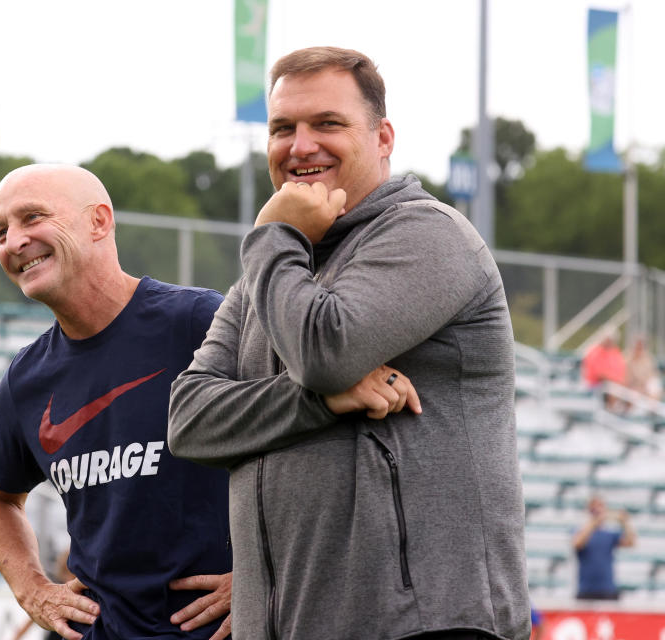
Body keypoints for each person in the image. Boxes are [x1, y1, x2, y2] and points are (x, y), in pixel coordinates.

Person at [168, 46, 530, 640]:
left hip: (425, 625)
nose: (300, 145)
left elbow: (325, 353)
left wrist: (274, 236)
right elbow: (189, 420)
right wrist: (318, 403)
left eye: (327, 124)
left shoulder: (428, 234)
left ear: (383, 137)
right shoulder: (269, 270)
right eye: (283, 128)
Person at [0, 164, 415, 640]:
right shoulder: (26, 380)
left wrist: (261, 577)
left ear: (99, 221)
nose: (13, 241)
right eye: (0, 231)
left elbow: (321, 425)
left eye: (32, 217)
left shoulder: (198, 320)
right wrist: (33, 590)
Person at [572, 495, 636, 600]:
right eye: (594, 506)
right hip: (586, 591)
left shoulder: (609, 534)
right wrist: (594, 522)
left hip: (607, 590)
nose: (597, 510)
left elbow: (631, 543)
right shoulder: (579, 531)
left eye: (600, 506)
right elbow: (577, 543)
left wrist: (625, 522)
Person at [625, 334, 662, 402]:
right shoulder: (628, 358)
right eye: (637, 345)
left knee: (654, 385)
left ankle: (653, 406)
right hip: (633, 388)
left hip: (645, 387)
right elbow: (627, 378)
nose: (639, 348)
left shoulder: (648, 358)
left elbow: (652, 375)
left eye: (641, 346)